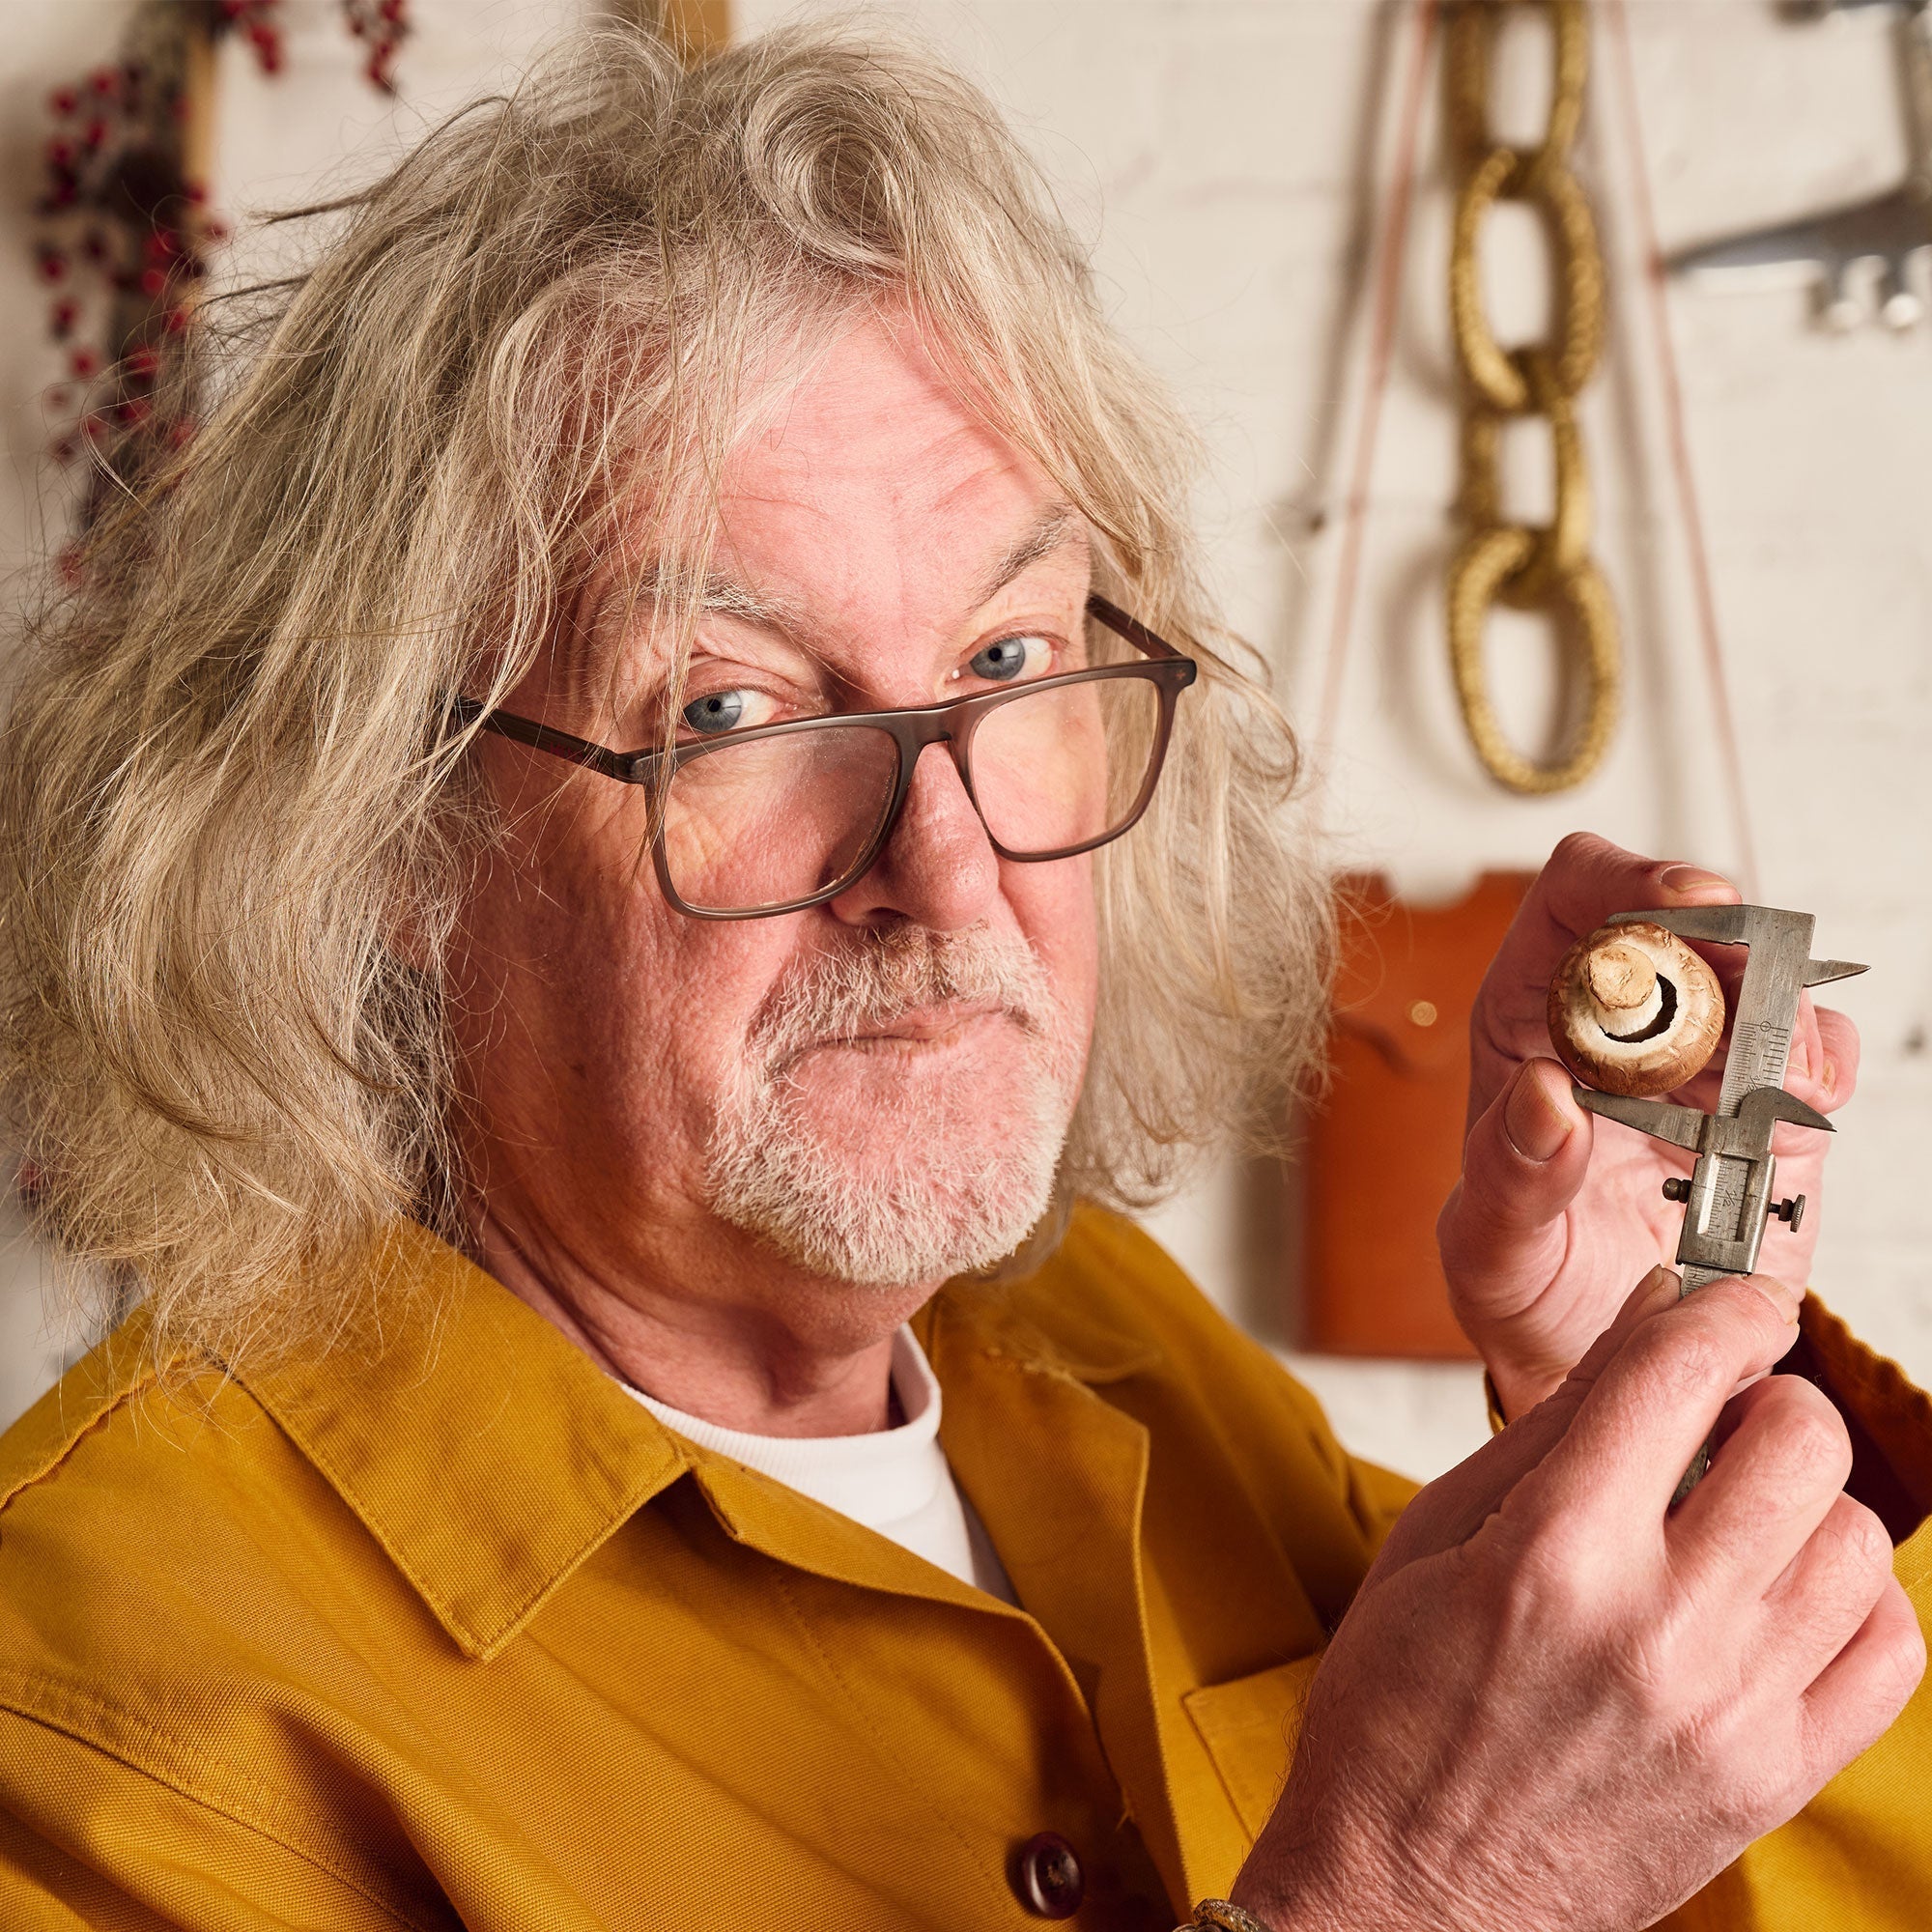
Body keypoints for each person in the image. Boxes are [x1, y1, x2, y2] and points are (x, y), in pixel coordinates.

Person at [0, 23, 1924, 1932]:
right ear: (390, 832)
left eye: (1006, 663)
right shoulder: (91, 1730)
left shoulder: (1096, 1335)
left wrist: (1640, 1411)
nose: (947, 869)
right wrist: (1415, 1901)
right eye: (731, 711)